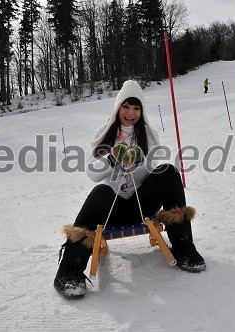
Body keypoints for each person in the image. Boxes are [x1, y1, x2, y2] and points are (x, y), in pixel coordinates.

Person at [54, 80, 206, 299]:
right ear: (118, 107)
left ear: (141, 111)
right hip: (112, 211)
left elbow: (154, 169)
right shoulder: (104, 133)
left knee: (168, 171)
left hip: (140, 205)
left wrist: (137, 160)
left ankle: (184, 249)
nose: (130, 113)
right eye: (126, 106)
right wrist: (113, 158)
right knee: (99, 193)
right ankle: (69, 271)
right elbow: (92, 174)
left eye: (136, 108)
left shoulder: (148, 134)